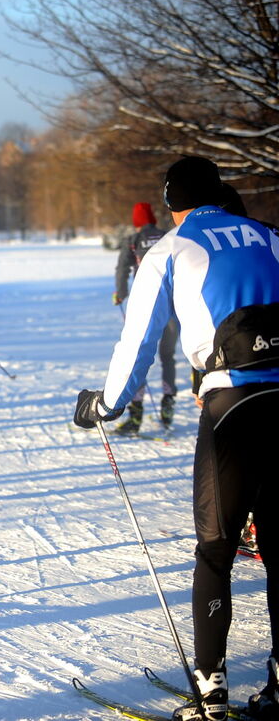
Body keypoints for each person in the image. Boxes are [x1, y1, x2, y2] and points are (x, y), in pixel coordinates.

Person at [73, 156, 279, 721]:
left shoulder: (170, 248)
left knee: (216, 549)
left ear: (172, 203)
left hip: (232, 402)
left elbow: (139, 340)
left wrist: (108, 404)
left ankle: (211, 690)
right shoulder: (269, 235)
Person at [112, 201, 179, 433]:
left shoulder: (133, 240)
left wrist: (120, 294)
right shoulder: (168, 236)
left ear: (137, 221)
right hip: (173, 304)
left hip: (147, 306)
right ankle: (168, 407)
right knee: (167, 356)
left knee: (138, 354)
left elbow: (122, 268)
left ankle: (136, 415)